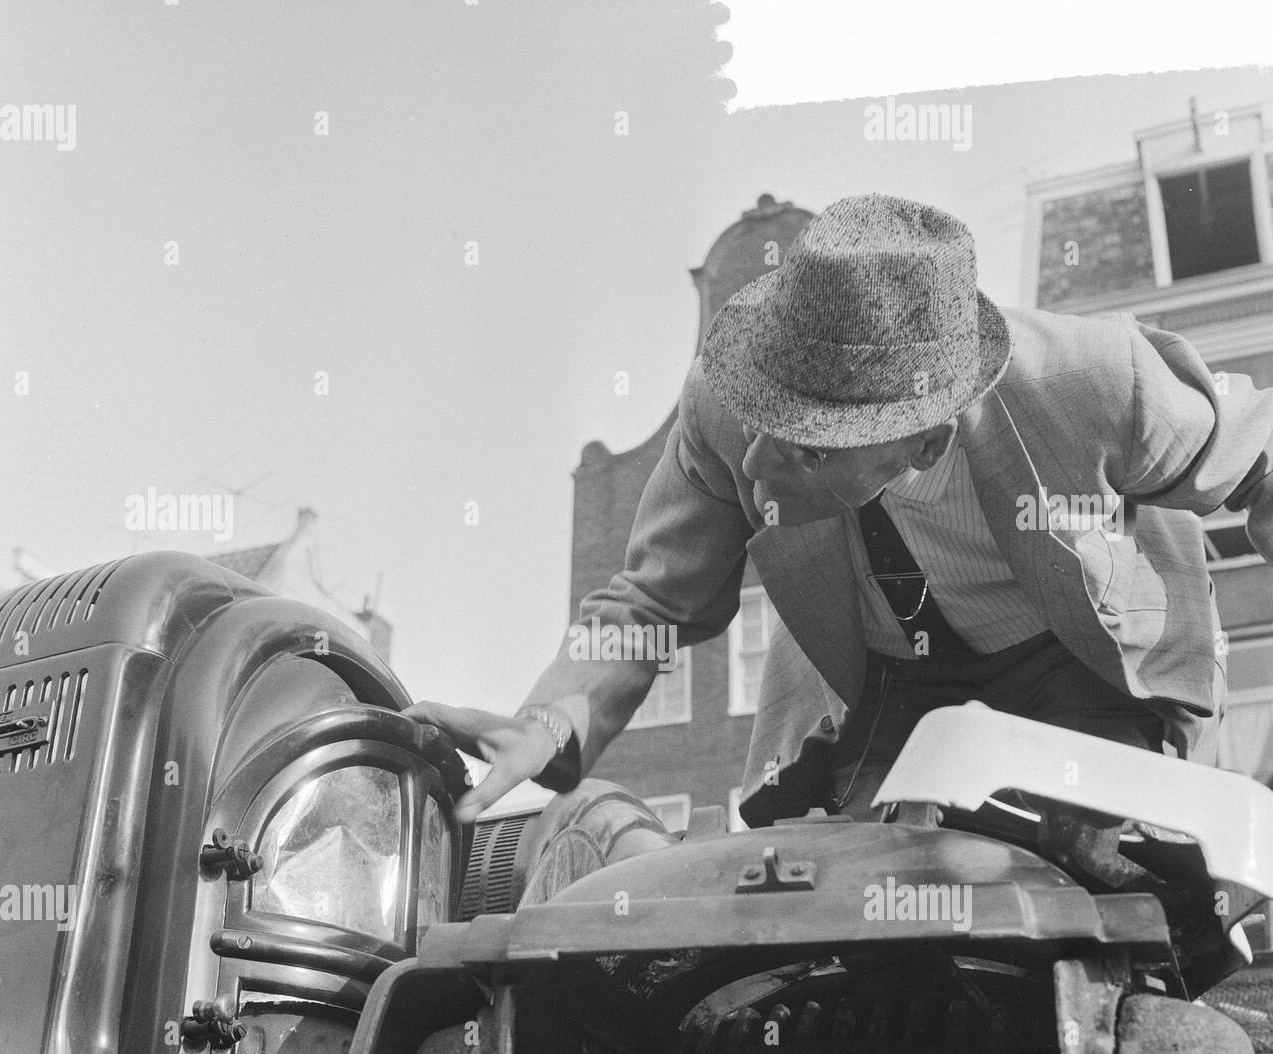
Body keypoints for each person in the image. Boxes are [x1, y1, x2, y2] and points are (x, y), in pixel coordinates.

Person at [404, 194, 1273, 858]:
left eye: (806, 448)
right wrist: (549, 723)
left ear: (925, 441)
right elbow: (651, 604)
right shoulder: (723, 409)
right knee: (838, 901)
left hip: (1076, 660)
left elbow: (1261, 461)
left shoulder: (1092, 381)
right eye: (763, 426)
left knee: (1087, 872)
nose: (756, 467)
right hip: (889, 680)